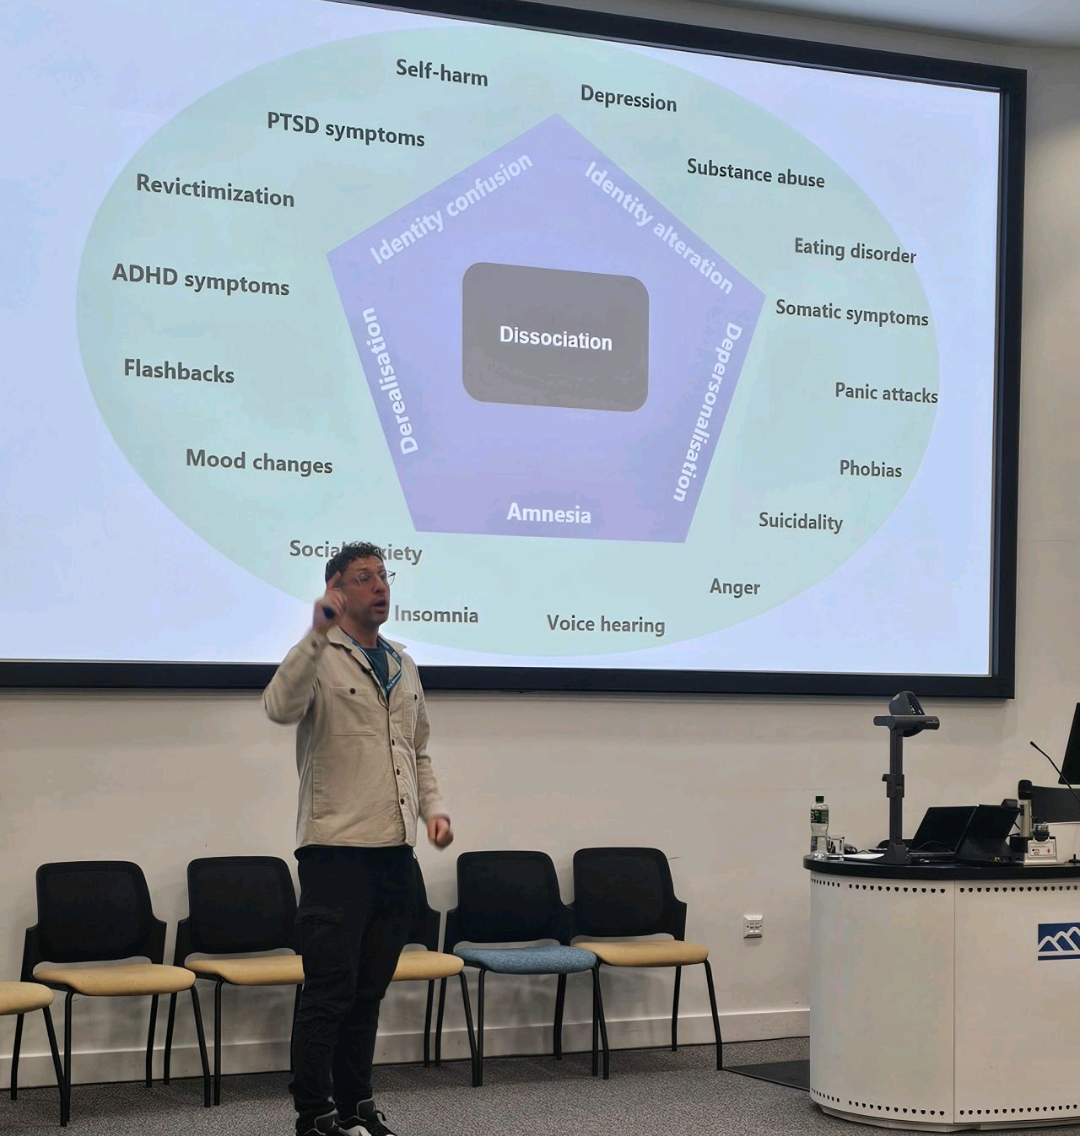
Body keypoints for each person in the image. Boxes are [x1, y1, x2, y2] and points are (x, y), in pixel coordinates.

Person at [264, 541, 452, 1136]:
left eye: (383, 576)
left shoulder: (402, 662)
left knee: (368, 992)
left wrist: (433, 811)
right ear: (337, 591)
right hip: (335, 852)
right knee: (329, 992)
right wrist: (314, 635)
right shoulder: (319, 657)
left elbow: (417, 751)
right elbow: (278, 706)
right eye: (364, 577)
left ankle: (356, 1106)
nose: (380, 586)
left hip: (396, 854)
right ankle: (314, 1114)